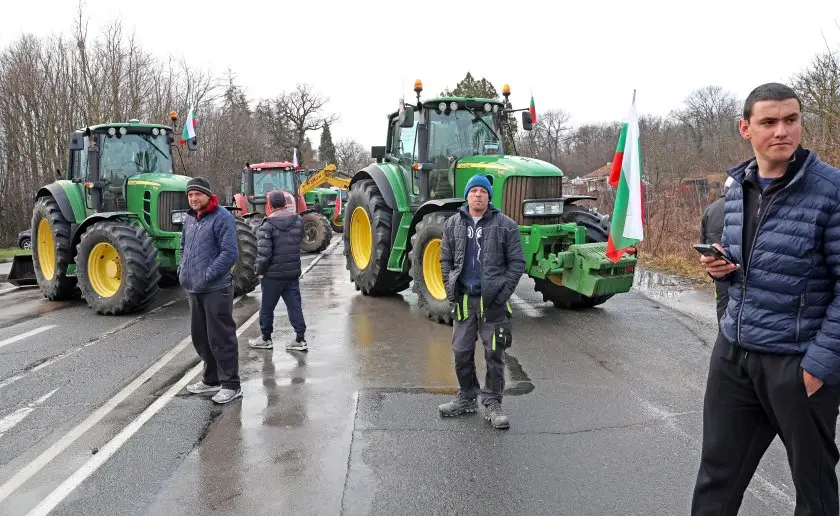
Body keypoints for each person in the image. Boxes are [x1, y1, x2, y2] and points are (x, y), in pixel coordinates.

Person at [693, 82, 840, 514]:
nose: (782, 131)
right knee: (716, 478)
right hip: (734, 354)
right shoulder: (736, 187)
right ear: (745, 128)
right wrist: (724, 265)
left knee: (813, 492)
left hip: (796, 361)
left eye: (791, 120)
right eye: (769, 122)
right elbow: (757, 259)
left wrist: (817, 367)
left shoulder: (831, 191)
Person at [438, 174, 525, 429]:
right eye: (474, 190)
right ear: (467, 195)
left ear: (489, 196)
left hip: (493, 304)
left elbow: (517, 263)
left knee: (494, 354)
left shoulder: (505, 225)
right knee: (461, 352)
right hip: (464, 301)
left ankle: (492, 402)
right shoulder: (452, 224)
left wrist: (502, 293)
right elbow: (445, 261)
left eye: (483, 191)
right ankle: (466, 397)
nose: (478, 195)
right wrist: (450, 288)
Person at [179, 177, 242, 405]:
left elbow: (229, 254)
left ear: (207, 195)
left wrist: (207, 276)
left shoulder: (222, 217)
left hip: (216, 288)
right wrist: (182, 270)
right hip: (194, 288)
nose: (194, 198)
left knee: (221, 337)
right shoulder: (189, 218)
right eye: (190, 195)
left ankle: (231, 384)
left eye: (197, 194)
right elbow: (183, 246)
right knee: (201, 338)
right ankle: (211, 379)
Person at [249, 190, 308, 351]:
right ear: (284, 203)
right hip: (292, 274)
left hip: (272, 277)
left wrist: (258, 270)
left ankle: (266, 339)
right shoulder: (298, 220)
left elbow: (264, 254)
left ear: (270, 205)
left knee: (267, 308)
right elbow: (300, 240)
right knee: (295, 306)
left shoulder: (267, 225)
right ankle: (300, 339)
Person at [700, 176, 734, 323]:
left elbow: (703, 244)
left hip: (718, 271)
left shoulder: (710, 210)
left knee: (722, 308)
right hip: (743, 274)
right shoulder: (747, 208)